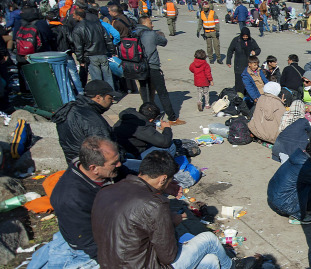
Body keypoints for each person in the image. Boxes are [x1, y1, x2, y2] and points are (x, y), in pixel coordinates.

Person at [91, 151, 233, 269]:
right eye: (170, 180)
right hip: (142, 264)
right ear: (163, 179)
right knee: (209, 240)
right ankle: (233, 266)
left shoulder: (106, 191)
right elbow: (168, 256)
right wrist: (172, 222)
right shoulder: (155, 205)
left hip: (109, 262)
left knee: (212, 261)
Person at [28, 137, 122, 268]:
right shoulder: (71, 199)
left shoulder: (92, 170)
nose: (120, 165)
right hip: (85, 249)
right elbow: (89, 243)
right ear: (94, 168)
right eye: (114, 163)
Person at [135, 16, 186, 126]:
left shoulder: (132, 32)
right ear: (144, 23)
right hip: (152, 67)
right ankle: (172, 118)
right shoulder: (151, 34)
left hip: (138, 68)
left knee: (145, 92)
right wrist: (158, 33)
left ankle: (148, 117)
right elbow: (164, 42)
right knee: (162, 93)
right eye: (150, 23)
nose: (152, 25)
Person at [53, 81, 120, 164]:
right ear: (98, 98)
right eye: (110, 98)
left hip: (74, 162)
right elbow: (105, 149)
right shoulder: (90, 117)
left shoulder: (73, 109)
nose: (112, 101)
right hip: (94, 166)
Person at [267, 148, 311, 224]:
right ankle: (297, 214)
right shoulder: (307, 166)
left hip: (273, 198)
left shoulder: (299, 156)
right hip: (284, 206)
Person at [71, 8, 114, 88]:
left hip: (91, 55)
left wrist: (81, 60)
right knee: (108, 76)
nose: (73, 17)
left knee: (97, 79)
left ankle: (100, 95)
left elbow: (78, 46)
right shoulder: (97, 25)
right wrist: (112, 51)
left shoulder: (78, 28)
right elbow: (107, 39)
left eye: (74, 15)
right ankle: (110, 94)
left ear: (78, 16)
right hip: (102, 53)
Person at [46, 10, 85, 95]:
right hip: (66, 53)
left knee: (58, 75)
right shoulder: (65, 27)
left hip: (53, 55)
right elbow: (71, 40)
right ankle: (80, 92)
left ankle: (63, 93)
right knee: (73, 74)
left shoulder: (47, 29)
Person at [227, 27, 261, 94]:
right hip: (239, 65)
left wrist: (255, 52)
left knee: (249, 82)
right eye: (244, 36)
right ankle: (239, 96)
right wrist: (228, 61)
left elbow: (258, 49)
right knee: (239, 82)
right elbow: (230, 50)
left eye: (246, 36)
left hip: (249, 66)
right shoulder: (236, 40)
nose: (245, 37)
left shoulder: (251, 41)